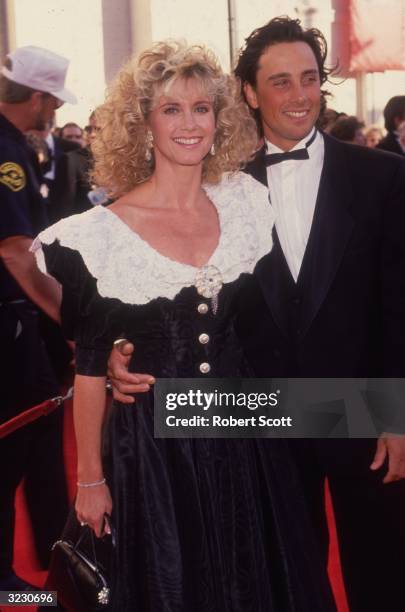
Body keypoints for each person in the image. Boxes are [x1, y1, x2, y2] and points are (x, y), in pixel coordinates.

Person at [109, 18, 405, 612]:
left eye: (309, 79)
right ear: (249, 92)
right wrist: (122, 352)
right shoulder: (221, 188)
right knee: (284, 579)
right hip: (260, 413)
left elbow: (400, 305)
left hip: (365, 407)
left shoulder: (385, 175)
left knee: (382, 573)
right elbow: (175, 290)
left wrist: (399, 416)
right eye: (280, 82)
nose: (299, 96)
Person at [32, 42, 336, 611]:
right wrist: (90, 480)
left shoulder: (246, 202)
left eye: (202, 107)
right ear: (143, 125)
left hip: (247, 435)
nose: (190, 123)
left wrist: (380, 411)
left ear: (220, 120)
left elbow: (281, 319)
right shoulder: (101, 235)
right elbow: (91, 364)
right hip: (153, 449)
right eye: (171, 109)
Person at [0, 45, 75, 590]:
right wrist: (68, 318)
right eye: (52, 100)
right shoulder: (6, 152)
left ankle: (55, 557)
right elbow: (15, 250)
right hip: (10, 320)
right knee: (20, 440)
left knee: (38, 433)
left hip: (18, 319)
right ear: (40, 97)